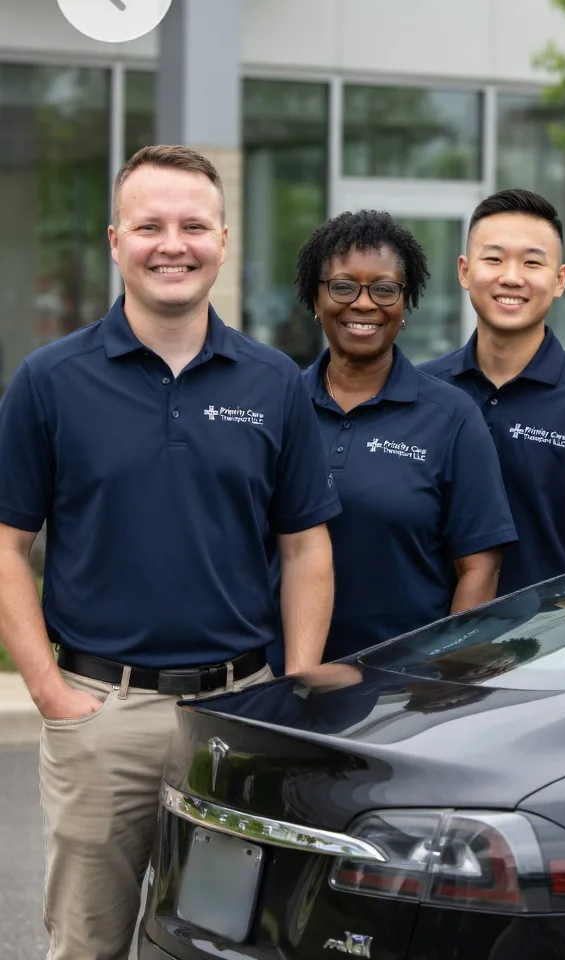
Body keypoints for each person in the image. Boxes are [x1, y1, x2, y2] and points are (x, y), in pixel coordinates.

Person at [0, 145, 340, 960]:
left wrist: (288, 692)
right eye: (150, 225)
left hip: (235, 716)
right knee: (88, 944)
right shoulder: (49, 381)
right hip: (101, 714)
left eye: (193, 225)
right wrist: (46, 687)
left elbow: (306, 549)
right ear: (116, 241)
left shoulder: (276, 383)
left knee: (223, 947)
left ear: (223, 240)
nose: (172, 243)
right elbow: (8, 546)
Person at [282, 210, 517, 667]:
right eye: (344, 286)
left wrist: (443, 674)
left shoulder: (451, 417)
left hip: (402, 689)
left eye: (385, 289)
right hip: (279, 680)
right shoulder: (279, 405)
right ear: (316, 299)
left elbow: (479, 567)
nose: (364, 304)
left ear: (405, 305)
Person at [421, 189, 565, 594]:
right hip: (416, 645)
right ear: (463, 271)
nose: (511, 277)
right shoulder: (424, 391)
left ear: (560, 279)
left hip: (546, 645)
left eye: (532, 262)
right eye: (493, 259)